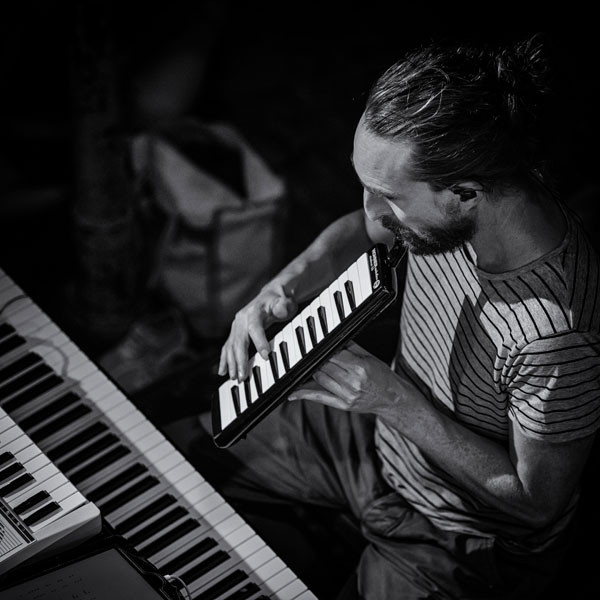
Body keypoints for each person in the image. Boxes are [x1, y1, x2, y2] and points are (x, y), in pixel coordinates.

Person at [168, 33, 600, 599]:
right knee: (169, 468)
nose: (372, 209)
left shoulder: (555, 337)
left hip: (459, 535)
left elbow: (536, 502)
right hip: (379, 437)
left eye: (388, 195)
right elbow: (364, 229)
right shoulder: (458, 205)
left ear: (464, 193)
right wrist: (281, 286)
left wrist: (393, 400)